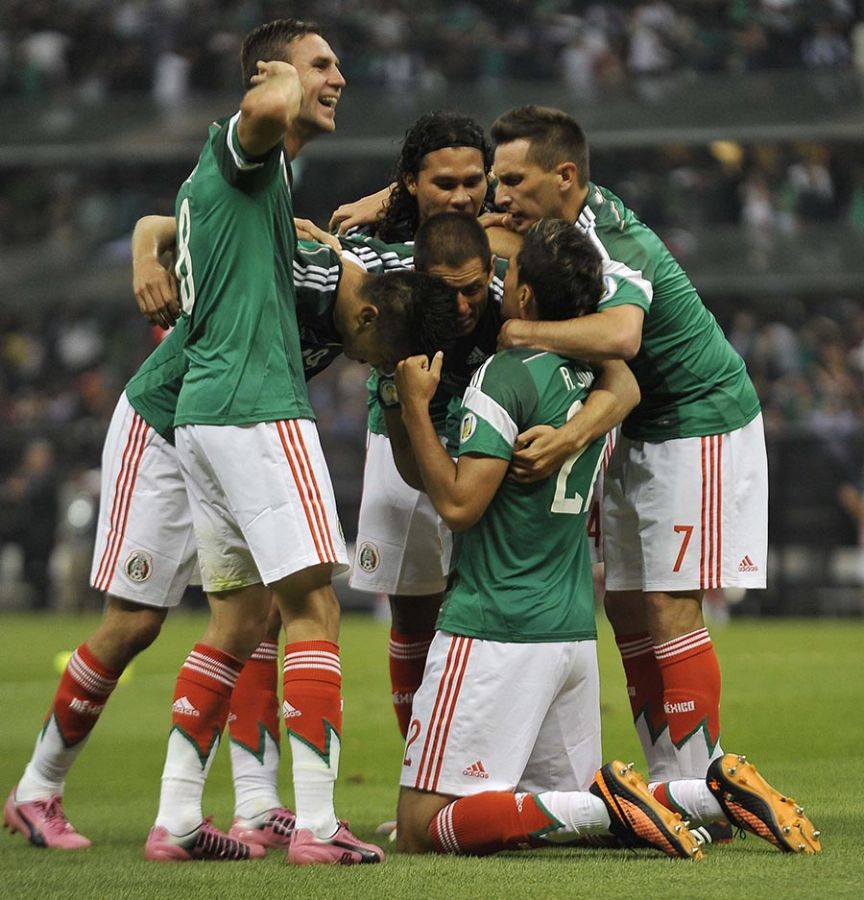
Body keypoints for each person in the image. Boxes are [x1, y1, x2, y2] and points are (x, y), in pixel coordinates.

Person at [2, 219, 457, 857]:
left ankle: (218, 808)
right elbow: (167, 224)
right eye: (375, 352)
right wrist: (143, 259)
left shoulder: (376, 281)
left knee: (253, 611)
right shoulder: (295, 264)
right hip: (159, 425)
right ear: (370, 316)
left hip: (227, 428)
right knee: (135, 623)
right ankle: (36, 788)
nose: (365, 365)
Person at [393, 219, 820, 859]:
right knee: (560, 815)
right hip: (569, 633)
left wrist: (413, 409)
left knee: (419, 824)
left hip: (495, 623)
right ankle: (707, 794)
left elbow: (457, 504)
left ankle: (620, 801)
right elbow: (628, 380)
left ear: (525, 295)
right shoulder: (599, 382)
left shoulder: (505, 377)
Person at [487, 106, 769, 788]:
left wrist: (522, 335)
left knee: (670, 602)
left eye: (514, 181)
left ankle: (703, 788)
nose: (500, 197)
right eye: (497, 180)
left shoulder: (611, 236)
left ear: (565, 176)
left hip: (698, 416)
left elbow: (620, 338)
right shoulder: (545, 229)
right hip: (639, 427)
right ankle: (670, 771)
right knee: (626, 602)